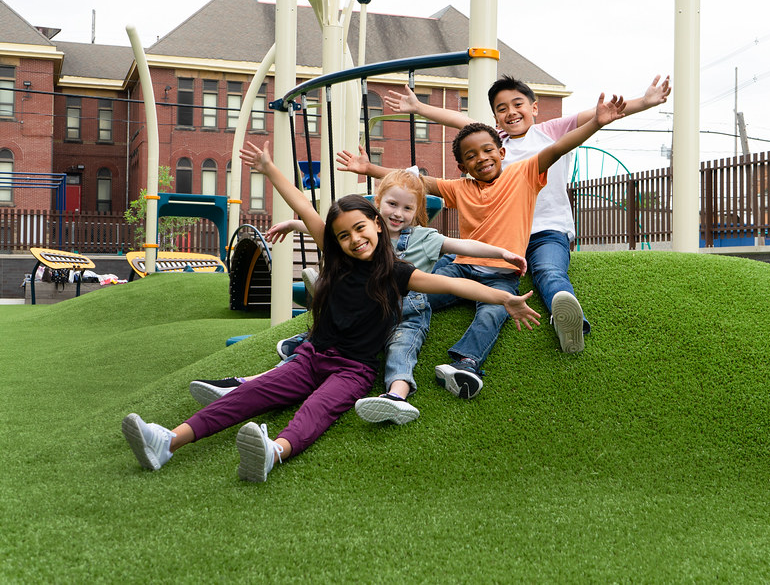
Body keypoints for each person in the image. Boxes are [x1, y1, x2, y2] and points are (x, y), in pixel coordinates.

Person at [121, 141, 540, 482]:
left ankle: (273, 452)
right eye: (343, 235)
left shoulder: (398, 273)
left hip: (352, 371)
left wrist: (503, 298)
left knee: (316, 411)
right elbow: (303, 206)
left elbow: (452, 284)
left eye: (360, 228)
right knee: (249, 395)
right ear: (335, 241)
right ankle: (167, 441)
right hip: (311, 357)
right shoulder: (338, 259)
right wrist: (269, 169)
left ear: (377, 224)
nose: (354, 239)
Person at [337, 93, 626, 399]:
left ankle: (466, 364)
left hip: (500, 275)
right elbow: (414, 181)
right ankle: (350, 325)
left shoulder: (523, 174)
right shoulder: (459, 188)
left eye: (488, 150)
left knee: (493, 313)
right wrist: (369, 169)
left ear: (502, 152)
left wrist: (595, 123)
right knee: (411, 297)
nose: (482, 158)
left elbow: (557, 148)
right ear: (462, 165)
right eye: (471, 156)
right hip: (459, 268)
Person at [189, 168, 529, 425]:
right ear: (376, 208)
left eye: (407, 208)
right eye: (391, 204)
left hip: (408, 310)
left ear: (416, 212)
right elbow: (323, 226)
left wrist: (501, 253)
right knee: (325, 342)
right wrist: (293, 225)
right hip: (368, 309)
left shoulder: (425, 238)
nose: (398, 213)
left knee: (401, 350)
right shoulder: (362, 235)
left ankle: (396, 398)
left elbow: (463, 249)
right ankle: (248, 382)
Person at [383, 74, 671, 353]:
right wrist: (419, 108)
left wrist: (643, 102)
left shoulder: (550, 131)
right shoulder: (494, 142)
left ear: (534, 108)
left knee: (549, 271)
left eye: (518, 104)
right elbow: (459, 120)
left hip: (546, 230)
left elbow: (600, 114)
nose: (511, 112)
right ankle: (390, 306)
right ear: (495, 119)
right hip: (503, 239)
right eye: (502, 108)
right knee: (449, 263)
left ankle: (568, 319)